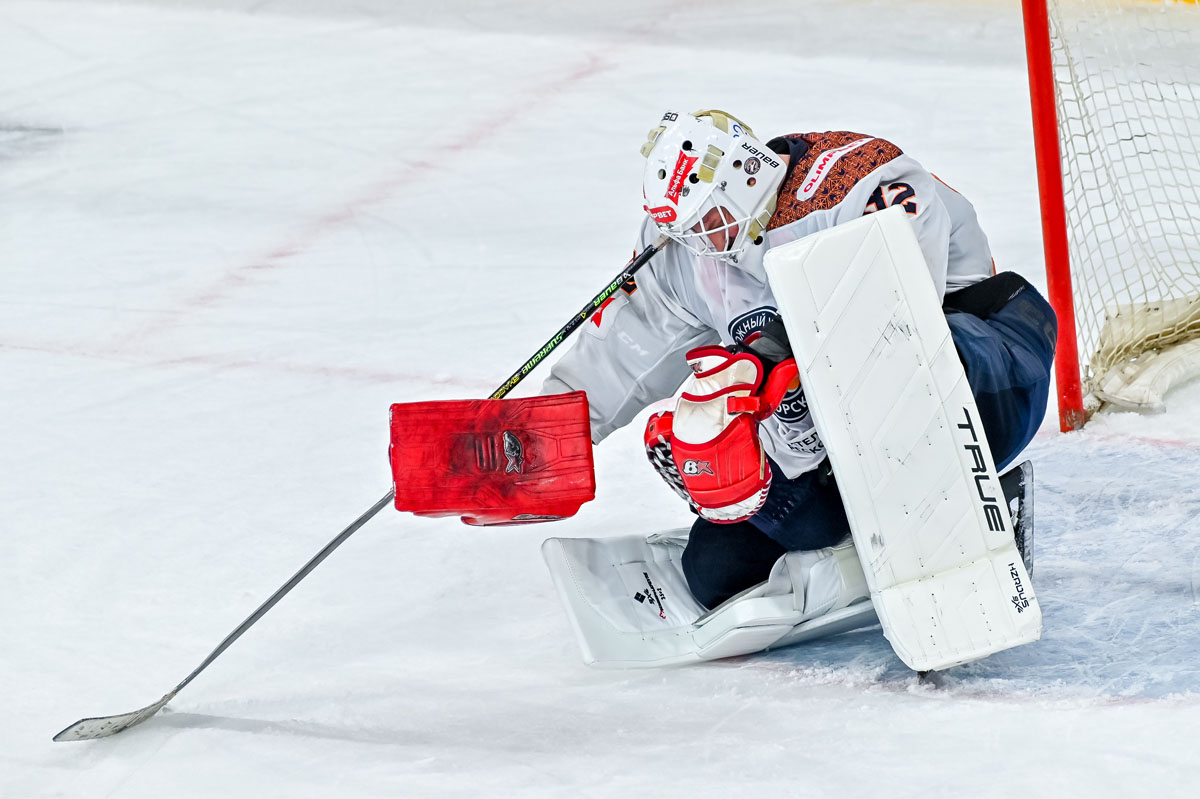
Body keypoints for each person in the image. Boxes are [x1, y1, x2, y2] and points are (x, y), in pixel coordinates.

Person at [541, 109, 1057, 609]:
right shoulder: (686, 243)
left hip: (987, 369)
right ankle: (845, 538)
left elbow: (890, 312)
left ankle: (952, 514)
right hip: (836, 422)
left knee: (889, 383)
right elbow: (626, 346)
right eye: (687, 231)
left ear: (745, 176)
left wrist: (764, 361)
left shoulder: (861, 178)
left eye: (710, 221)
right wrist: (545, 437)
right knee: (714, 573)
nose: (700, 242)